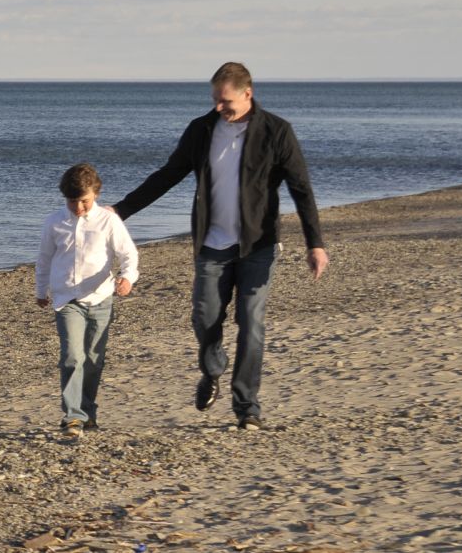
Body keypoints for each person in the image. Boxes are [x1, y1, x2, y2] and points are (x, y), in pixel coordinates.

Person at [111, 62, 328, 430]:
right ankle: (212, 369)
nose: (218, 108)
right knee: (205, 317)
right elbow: (168, 174)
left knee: (252, 323)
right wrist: (119, 212)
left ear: (248, 93)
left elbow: (301, 188)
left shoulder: (277, 131)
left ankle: (247, 408)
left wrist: (315, 244)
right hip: (211, 244)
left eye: (225, 101)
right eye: (214, 100)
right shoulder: (202, 130)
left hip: (257, 245)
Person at [35, 163, 139, 437]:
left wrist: (127, 278)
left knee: (94, 359)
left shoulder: (108, 221)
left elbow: (128, 254)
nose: (79, 207)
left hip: (101, 297)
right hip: (66, 298)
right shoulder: (55, 222)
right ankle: (72, 416)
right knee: (72, 357)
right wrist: (40, 290)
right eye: (73, 201)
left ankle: (88, 411)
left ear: (95, 194)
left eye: (84, 201)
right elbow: (44, 259)